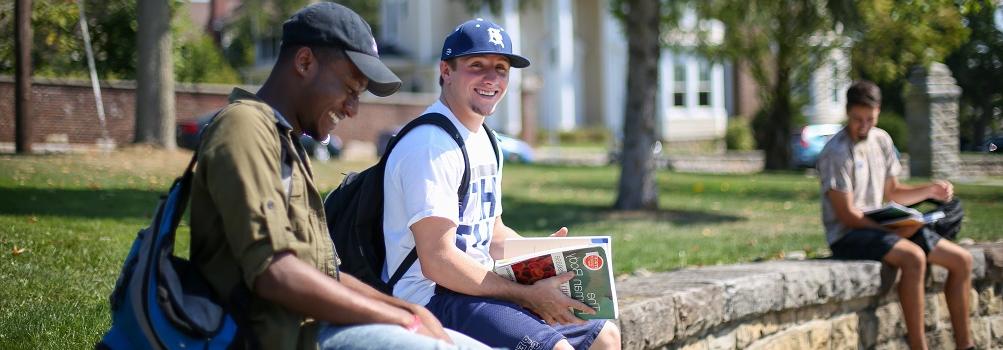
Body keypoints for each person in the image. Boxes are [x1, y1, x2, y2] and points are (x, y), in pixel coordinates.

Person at [189, 3, 489, 350]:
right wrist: (400, 320)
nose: (353, 109)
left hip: (312, 326)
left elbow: (322, 273)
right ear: (304, 62)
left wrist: (407, 310)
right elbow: (274, 273)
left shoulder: (284, 141)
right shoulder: (245, 128)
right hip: (278, 336)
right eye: (350, 89)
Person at [381, 18, 621, 350]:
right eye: (476, 65)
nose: (492, 78)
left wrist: (539, 260)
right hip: (434, 298)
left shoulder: (487, 140)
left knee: (605, 337)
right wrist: (528, 295)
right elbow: (437, 260)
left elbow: (491, 232)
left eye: (501, 68)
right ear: (446, 71)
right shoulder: (430, 146)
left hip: (478, 287)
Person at [818, 81, 973, 350]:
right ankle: (918, 346)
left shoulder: (882, 140)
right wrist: (892, 232)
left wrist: (930, 191)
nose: (863, 126)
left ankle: (966, 345)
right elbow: (847, 216)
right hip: (850, 235)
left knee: (962, 260)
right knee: (913, 258)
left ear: (878, 112)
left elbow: (893, 192)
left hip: (886, 226)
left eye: (870, 119)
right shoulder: (835, 152)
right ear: (847, 112)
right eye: (857, 119)